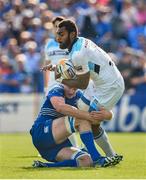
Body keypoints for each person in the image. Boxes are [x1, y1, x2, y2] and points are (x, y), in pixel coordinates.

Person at [42, 19, 124, 162]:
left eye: (61, 34)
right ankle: (89, 148)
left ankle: (110, 155)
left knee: (92, 122)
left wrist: (60, 79)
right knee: (81, 110)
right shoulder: (80, 42)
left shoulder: (78, 53)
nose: (58, 38)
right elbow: (78, 66)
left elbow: (83, 83)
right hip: (98, 82)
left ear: (72, 34)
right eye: (57, 34)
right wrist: (56, 68)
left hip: (110, 86)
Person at [30, 84, 117, 168]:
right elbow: (60, 107)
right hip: (41, 132)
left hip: (56, 146)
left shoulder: (80, 96)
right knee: (83, 119)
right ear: (64, 83)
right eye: (70, 87)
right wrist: (89, 116)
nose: (72, 91)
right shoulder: (57, 89)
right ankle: (97, 158)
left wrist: (106, 115)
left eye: (75, 88)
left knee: (86, 161)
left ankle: (45, 166)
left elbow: (108, 114)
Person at [43, 16, 78, 147]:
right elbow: (46, 65)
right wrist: (45, 86)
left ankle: (75, 147)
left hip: (67, 84)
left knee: (67, 115)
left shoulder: (69, 43)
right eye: (55, 27)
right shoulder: (49, 44)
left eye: (59, 27)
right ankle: (72, 147)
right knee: (55, 117)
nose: (57, 29)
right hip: (52, 85)